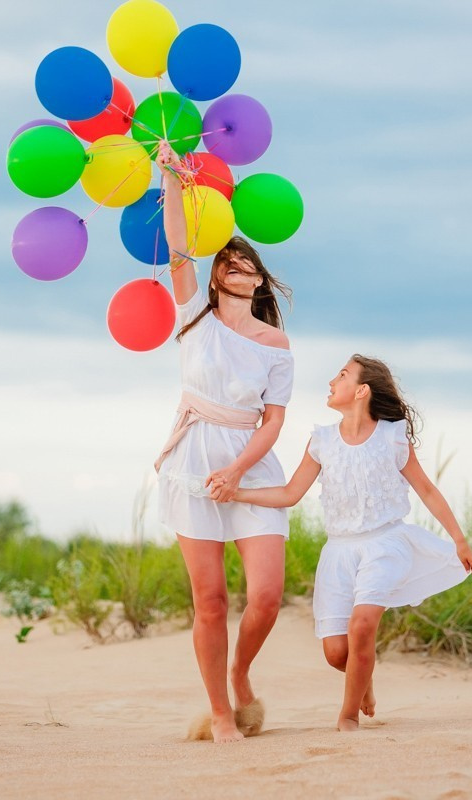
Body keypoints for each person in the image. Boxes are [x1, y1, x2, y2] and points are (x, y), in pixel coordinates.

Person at [213, 355, 472, 732]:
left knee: (363, 624)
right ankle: (363, 681)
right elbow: (290, 493)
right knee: (337, 653)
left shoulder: (391, 437)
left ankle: (348, 716)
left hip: (386, 544)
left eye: (341, 375)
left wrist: (459, 540)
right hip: (339, 552)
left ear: (361, 390)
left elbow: (427, 490)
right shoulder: (321, 441)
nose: (331, 380)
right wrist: (237, 493)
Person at [152, 141, 294, 744]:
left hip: (250, 464)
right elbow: (180, 241)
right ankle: (217, 711)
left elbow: (273, 420)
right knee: (209, 600)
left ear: (258, 276)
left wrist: (238, 470)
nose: (236, 268)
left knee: (265, 596)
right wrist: (172, 180)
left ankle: (240, 670)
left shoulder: (275, 345)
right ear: (214, 275)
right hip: (193, 463)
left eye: (245, 263)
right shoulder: (193, 316)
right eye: (226, 262)